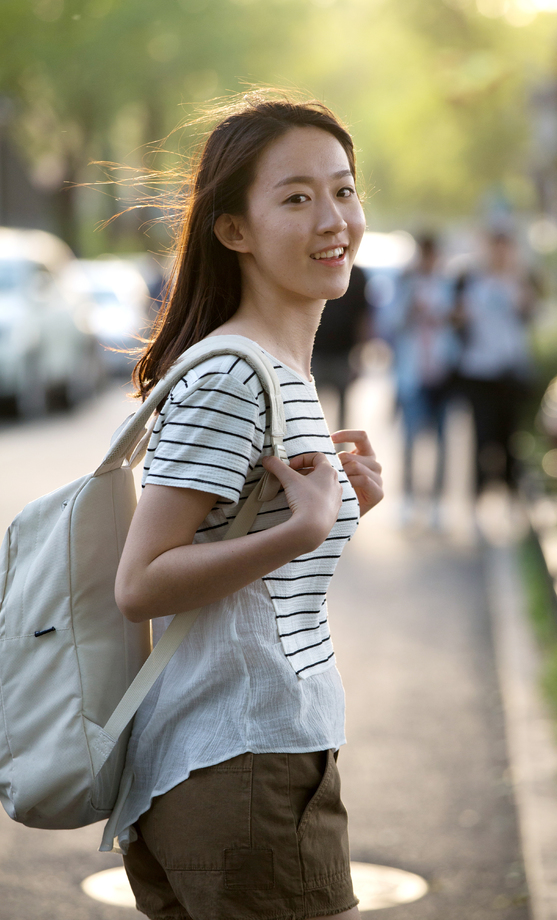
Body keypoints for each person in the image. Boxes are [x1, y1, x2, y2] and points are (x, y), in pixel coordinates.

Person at [103, 95, 384, 920]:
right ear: (234, 230)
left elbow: (247, 574)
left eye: (342, 189)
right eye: (295, 198)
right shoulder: (233, 379)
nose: (332, 219)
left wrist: (336, 512)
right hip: (242, 763)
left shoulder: (279, 376)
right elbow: (142, 582)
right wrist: (302, 525)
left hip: (259, 757)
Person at [453, 229, 537, 493]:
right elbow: (456, 318)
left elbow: (530, 314)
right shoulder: (472, 281)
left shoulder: (520, 282)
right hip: (479, 371)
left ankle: (511, 496)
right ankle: (477, 496)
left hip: (510, 371)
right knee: (482, 438)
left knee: (510, 438)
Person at [389, 234, 457, 521]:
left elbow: (460, 323)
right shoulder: (406, 285)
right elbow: (390, 323)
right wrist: (409, 309)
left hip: (442, 373)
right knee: (409, 439)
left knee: (442, 440)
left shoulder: (450, 287)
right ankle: (406, 499)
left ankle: (438, 503)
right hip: (412, 373)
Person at [311, 263, 370, 430]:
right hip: (315, 352)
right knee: (310, 407)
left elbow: (363, 317)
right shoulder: (314, 267)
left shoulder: (356, 274)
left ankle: (339, 450)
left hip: (343, 353)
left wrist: (359, 357)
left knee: (343, 412)